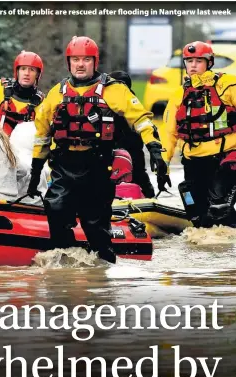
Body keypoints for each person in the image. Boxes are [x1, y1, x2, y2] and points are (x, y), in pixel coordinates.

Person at [27, 36, 167, 263]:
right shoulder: (57, 92)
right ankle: (68, 264)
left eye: (85, 59)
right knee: (56, 208)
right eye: (75, 60)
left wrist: (155, 149)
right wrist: (35, 170)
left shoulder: (114, 90)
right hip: (64, 163)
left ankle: (102, 274)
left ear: (95, 62)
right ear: (69, 62)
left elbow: (141, 119)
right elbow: (42, 134)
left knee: (95, 225)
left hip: (98, 164)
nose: (80, 64)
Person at [162, 41, 236, 227]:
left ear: (209, 63)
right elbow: (169, 133)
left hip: (226, 158)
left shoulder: (227, 85)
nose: (193, 65)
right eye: (189, 61)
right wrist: (163, 164)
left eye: (199, 61)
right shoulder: (178, 95)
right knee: (198, 217)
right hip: (193, 160)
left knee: (219, 207)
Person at [109, 70, 156, 198]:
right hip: (122, 151)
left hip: (130, 151)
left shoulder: (128, 104)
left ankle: (148, 196)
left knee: (138, 174)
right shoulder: (127, 101)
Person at [0, 50, 46, 137]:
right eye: (23, 69)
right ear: (17, 71)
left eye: (31, 70)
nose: (27, 73)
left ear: (37, 74)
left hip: (22, 148)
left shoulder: (43, 105)